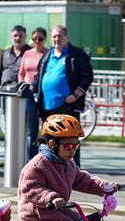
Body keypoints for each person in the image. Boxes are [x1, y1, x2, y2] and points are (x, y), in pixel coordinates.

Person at [31, 25, 92, 167]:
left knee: (69, 142)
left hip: (67, 107)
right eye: (54, 36)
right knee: (49, 143)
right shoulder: (47, 55)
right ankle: (50, 171)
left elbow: (87, 76)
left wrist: (76, 95)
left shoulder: (76, 55)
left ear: (66, 37)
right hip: (47, 107)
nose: (56, 39)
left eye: (59, 36)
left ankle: (73, 173)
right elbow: (38, 77)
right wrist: (30, 88)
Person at [19, 27, 48, 159]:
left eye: (40, 39)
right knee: (32, 128)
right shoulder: (27, 53)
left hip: (43, 93)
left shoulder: (48, 54)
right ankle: (31, 157)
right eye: (35, 38)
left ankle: (46, 156)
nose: (37, 41)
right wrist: (22, 86)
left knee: (46, 127)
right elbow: (21, 72)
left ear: (45, 39)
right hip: (29, 93)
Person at [0, 25, 29, 100]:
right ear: (11, 37)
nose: (17, 38)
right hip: (5, 93)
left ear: (25, 37)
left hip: (23, 94)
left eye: (20, 36)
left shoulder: (30, 53)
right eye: (15, 36)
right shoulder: (5, 54)